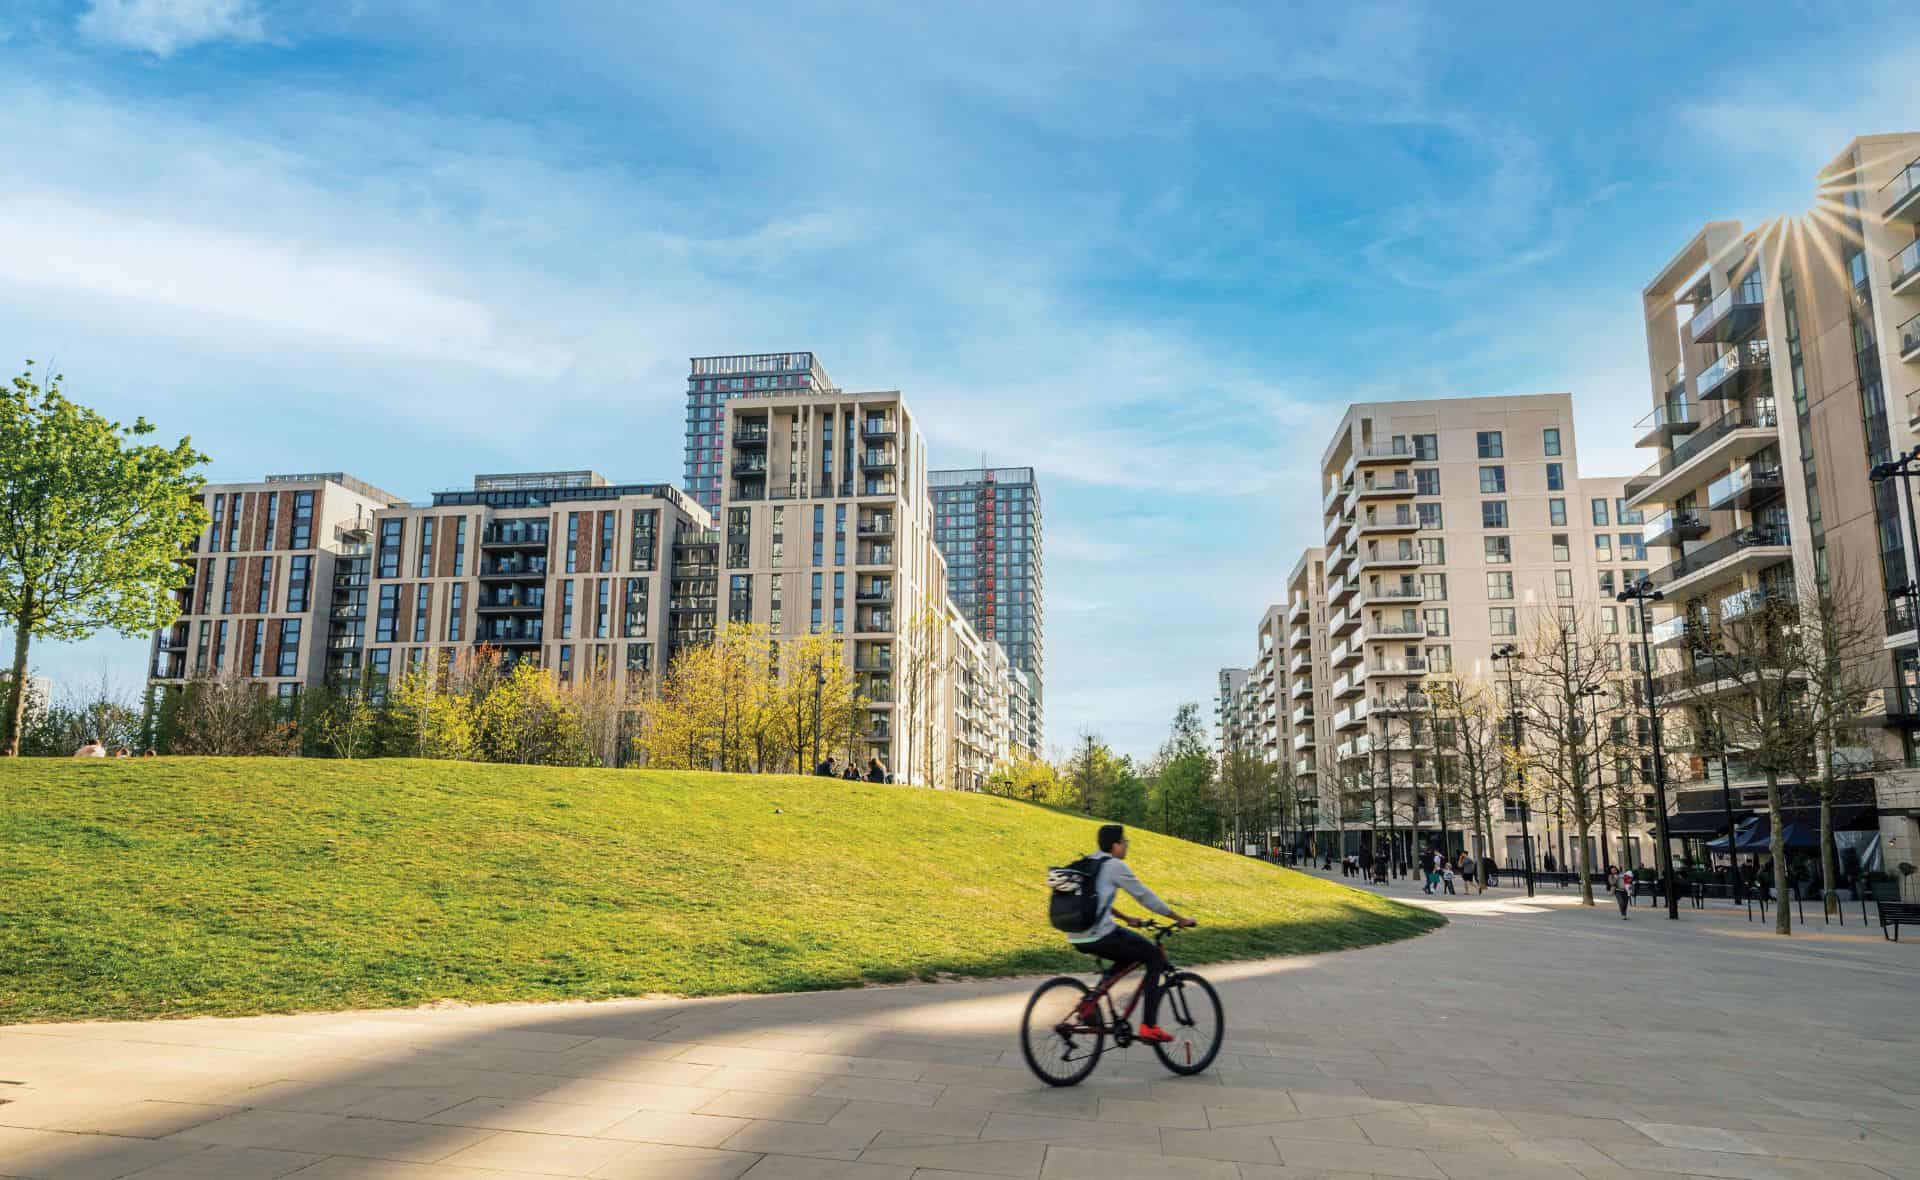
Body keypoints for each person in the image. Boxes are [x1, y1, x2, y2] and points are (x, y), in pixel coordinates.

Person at [1066, 824, 1196, 1045]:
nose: (1127, 845)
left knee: (1127, 957)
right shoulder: (1115, 865)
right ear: (1115, 845)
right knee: (1154, 956)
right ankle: (1149, 1026)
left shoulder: (1090, 862)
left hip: (1077, 934)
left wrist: (1126, 919)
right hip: (1100, 934)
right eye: (1124, 841)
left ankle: (1088, 1005)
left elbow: (1093, 900)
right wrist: (1179, 918)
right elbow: (1145, 897)